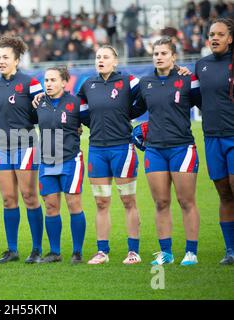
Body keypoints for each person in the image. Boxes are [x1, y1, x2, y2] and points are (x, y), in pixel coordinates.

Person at [134, 37, 202, 266]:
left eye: (164, 53)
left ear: (174, 56)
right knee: (161, 202)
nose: (159, 57)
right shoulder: (145, 83)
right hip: (154, 150)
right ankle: (166, 253)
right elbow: (134, 108)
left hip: (182, 148)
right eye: (156, 53)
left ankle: (191, 252)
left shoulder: (186, 79)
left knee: (186, 201)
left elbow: (205, 103)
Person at [77, 45, 143, 265]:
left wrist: (129, 114)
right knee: (101, 202)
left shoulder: (128, 81)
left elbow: (147, 96)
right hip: (96, 149)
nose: (101, 60)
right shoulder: (88, 84)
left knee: (128, 200)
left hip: (122, 149)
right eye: (98, 57)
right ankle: (102, 252)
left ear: (115, 61)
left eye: (105, 57)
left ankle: (133, 251)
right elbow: (79, 108)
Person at [0, 36, 44, 263]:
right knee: (8, 199)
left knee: (29, 197)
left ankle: (37, 249)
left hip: (26, 146)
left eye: (5, 57)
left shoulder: (31, 83)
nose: (1, 61)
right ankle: (12, 250)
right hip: (1, 147)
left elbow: (42, 113)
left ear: (17, 60)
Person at [34, 66, 87, 264]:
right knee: (51, 206)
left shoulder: (75, 102)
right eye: (46, 80)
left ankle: (77, 252)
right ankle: (55, 252)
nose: (48, 84)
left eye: (53, 80)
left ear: (64, 82)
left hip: (70, 159)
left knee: (73, 204)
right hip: (46, 161)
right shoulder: (38, 103)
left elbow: (90, 120)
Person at [194, 18, 234, 264]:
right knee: (225, 194)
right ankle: (230, 251)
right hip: (211, 137)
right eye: (211, 34)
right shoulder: (201, 65)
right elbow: (197, 98)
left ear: (230, 38)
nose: (215, 38)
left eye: (220, 34)